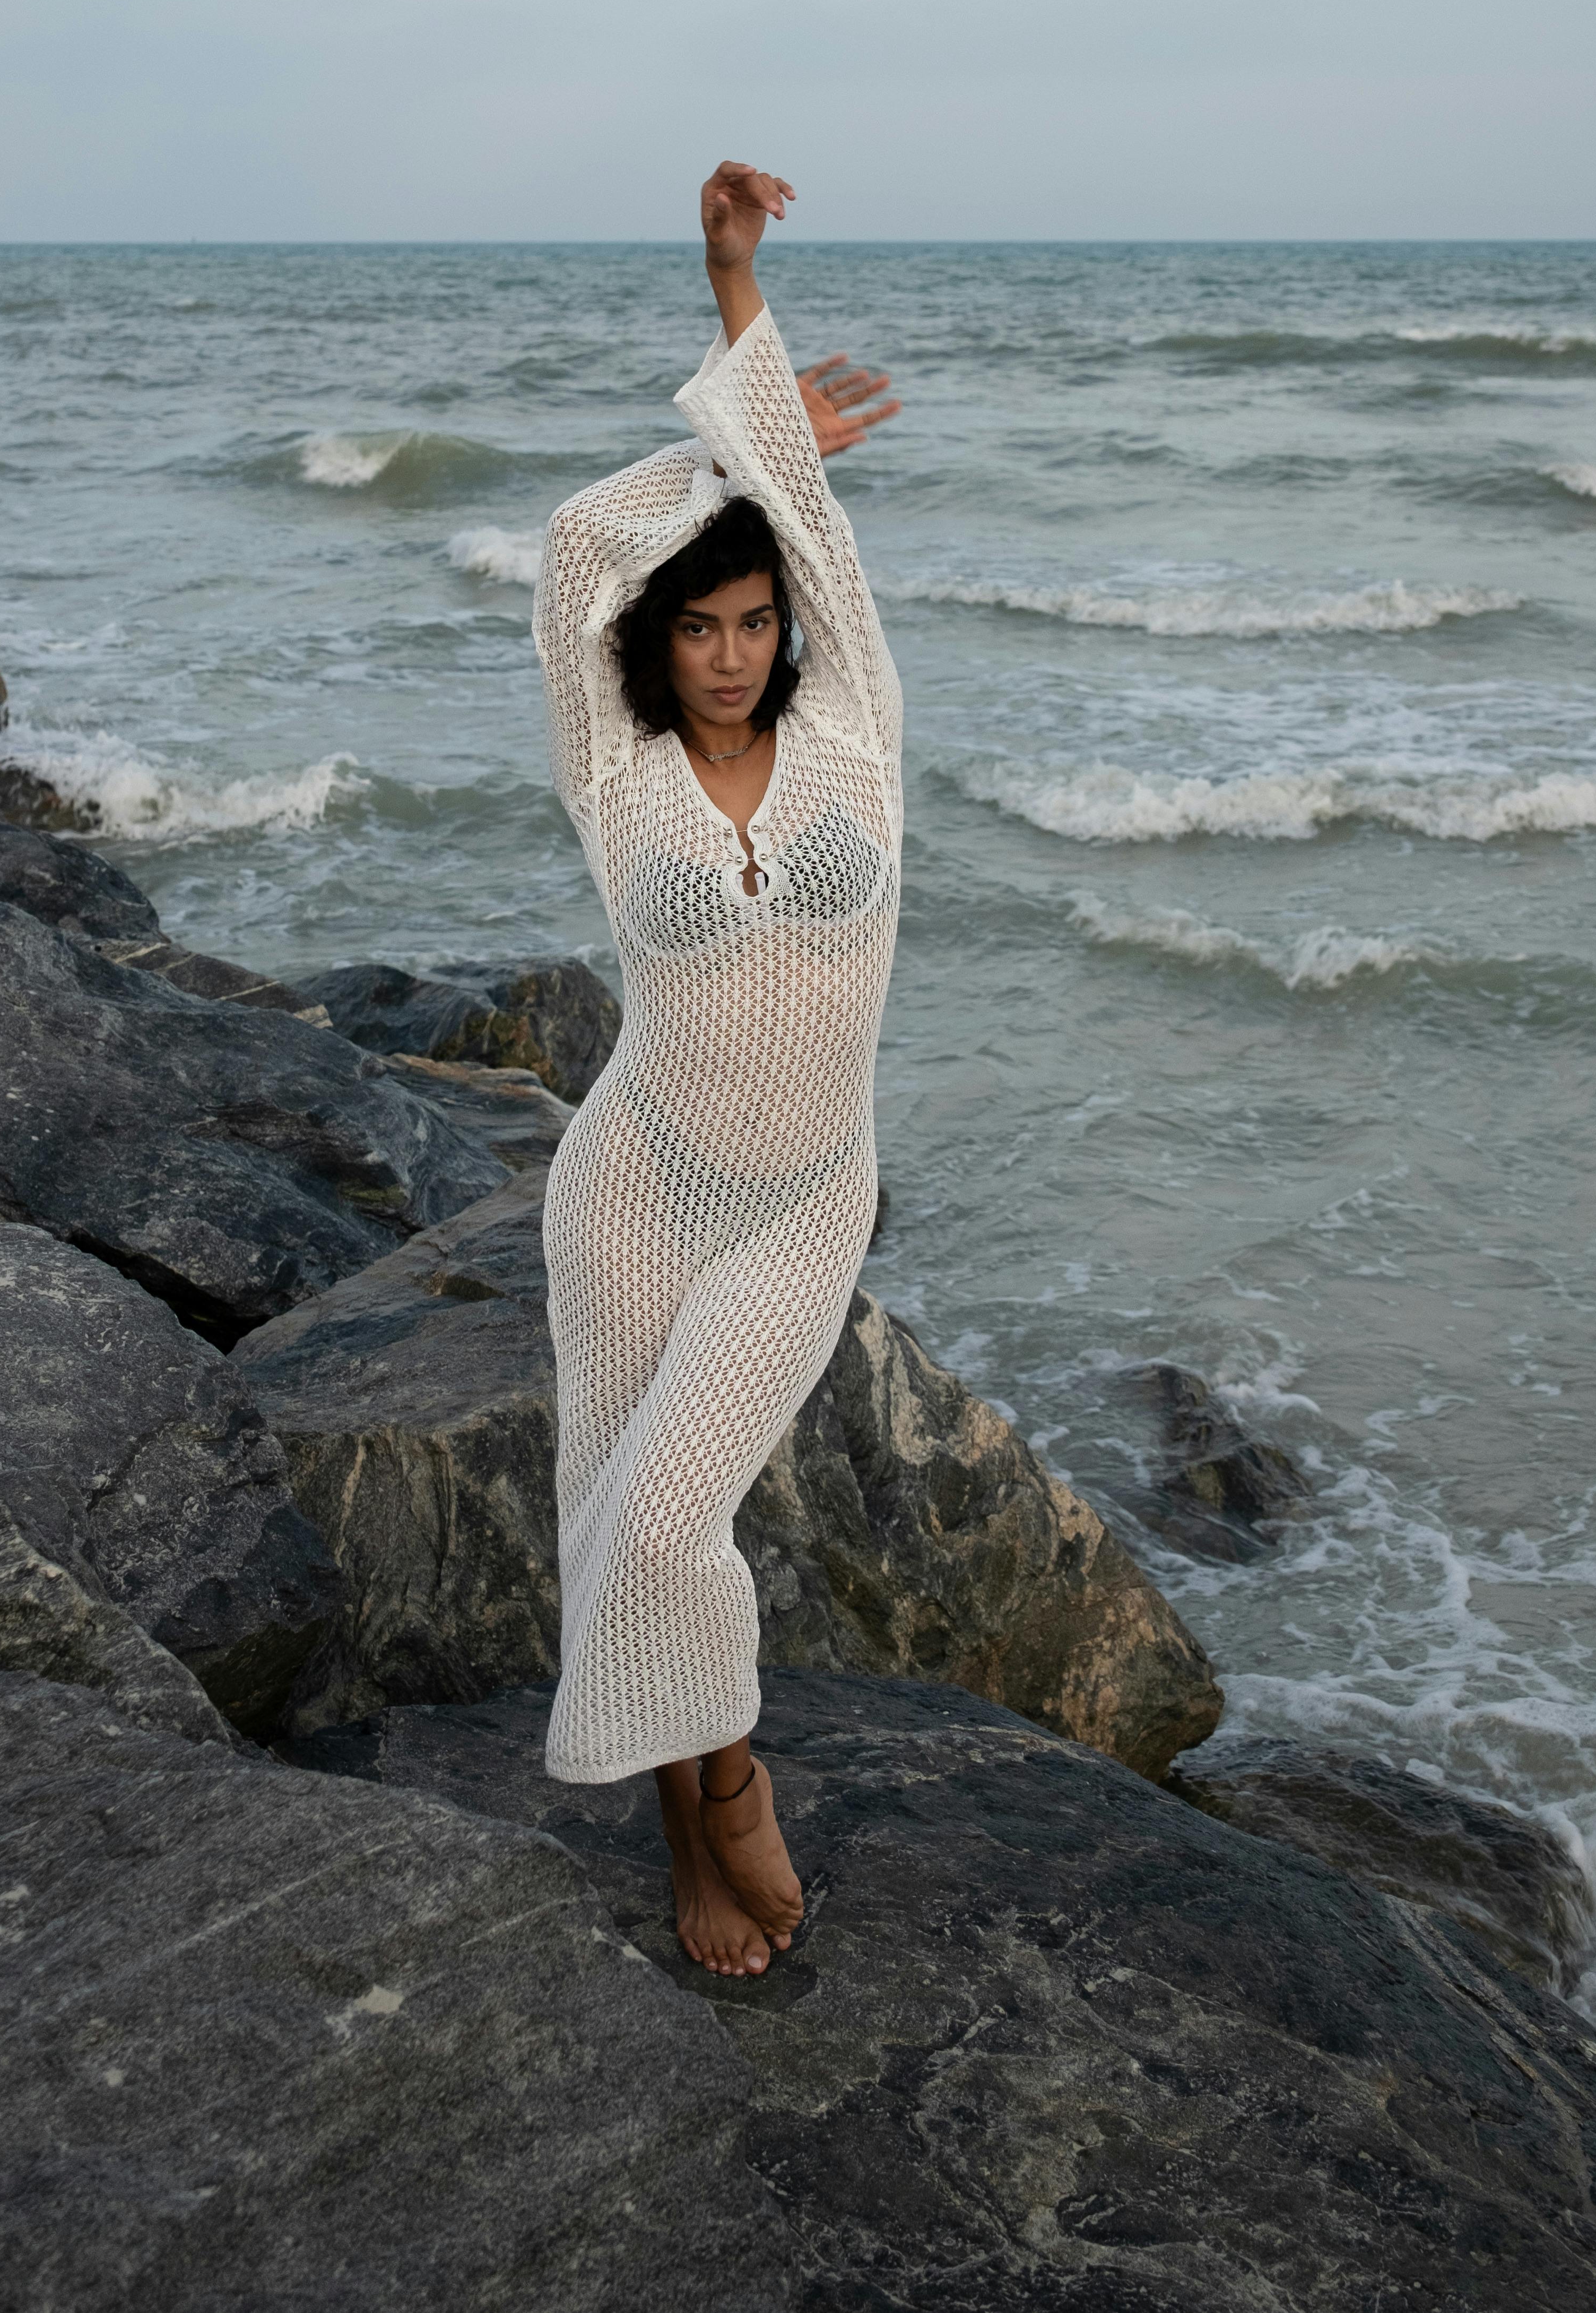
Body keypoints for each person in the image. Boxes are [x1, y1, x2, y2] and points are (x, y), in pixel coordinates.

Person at [531, 159, 903, 1977]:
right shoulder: (612, 771)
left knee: (666, 1517)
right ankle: (697, 1827)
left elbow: (814, 546)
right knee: (620, 1512)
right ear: (656, 644)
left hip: (797, 1197)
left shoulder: (855, 729)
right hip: (635, 1180)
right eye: (700, 624)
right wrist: (725, 466)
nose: (735, 654)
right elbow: (572, 548)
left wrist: (737, 299)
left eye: (756, 618)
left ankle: (727, 1766)